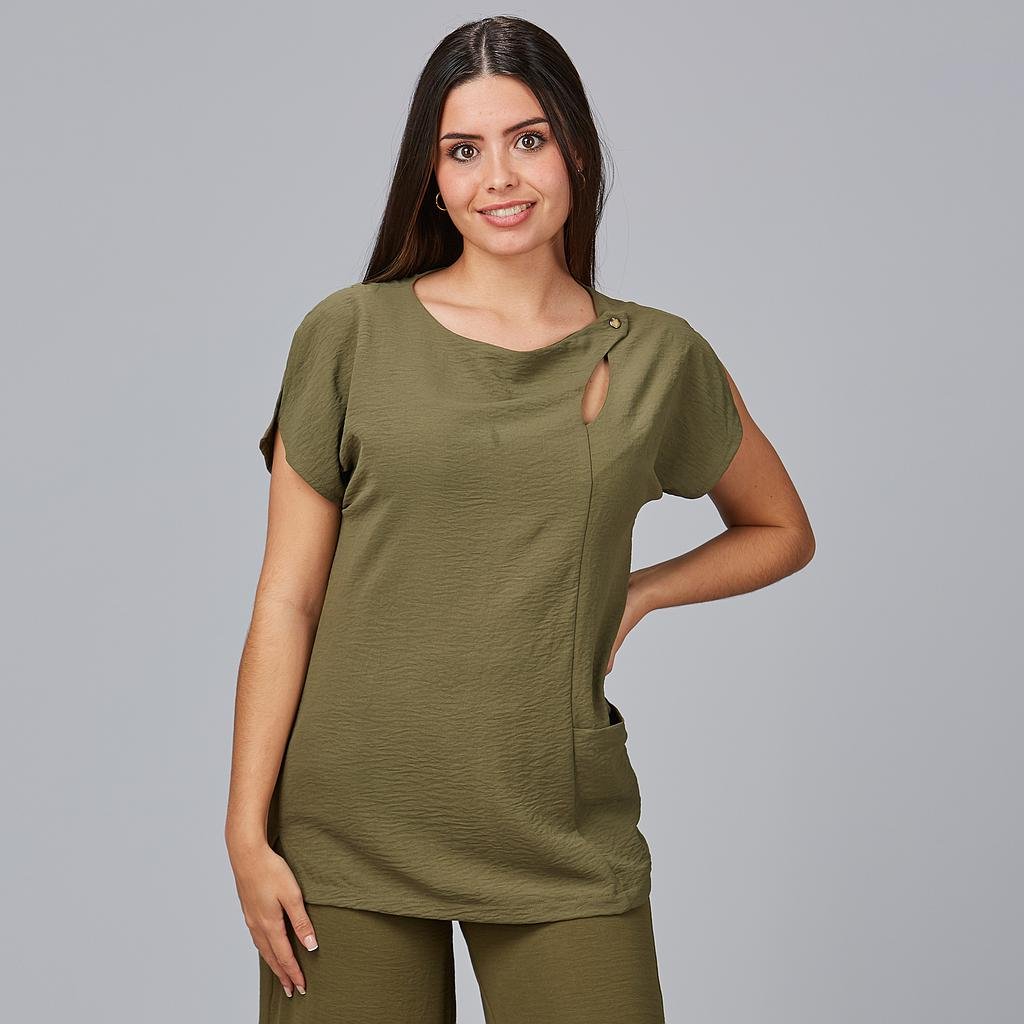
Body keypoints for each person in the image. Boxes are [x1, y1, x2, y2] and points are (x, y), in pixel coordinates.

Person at [224, 14, 815, 1023]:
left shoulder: (659, 357)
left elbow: (780, 529)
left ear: (574, 149)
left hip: (557, 818)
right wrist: (247, 832)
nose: (498, 177)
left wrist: (639, 592)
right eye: (463, 150)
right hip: (345, 827)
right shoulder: (348, 334)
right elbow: (288, 598)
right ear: (431, 175)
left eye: (526, 139)